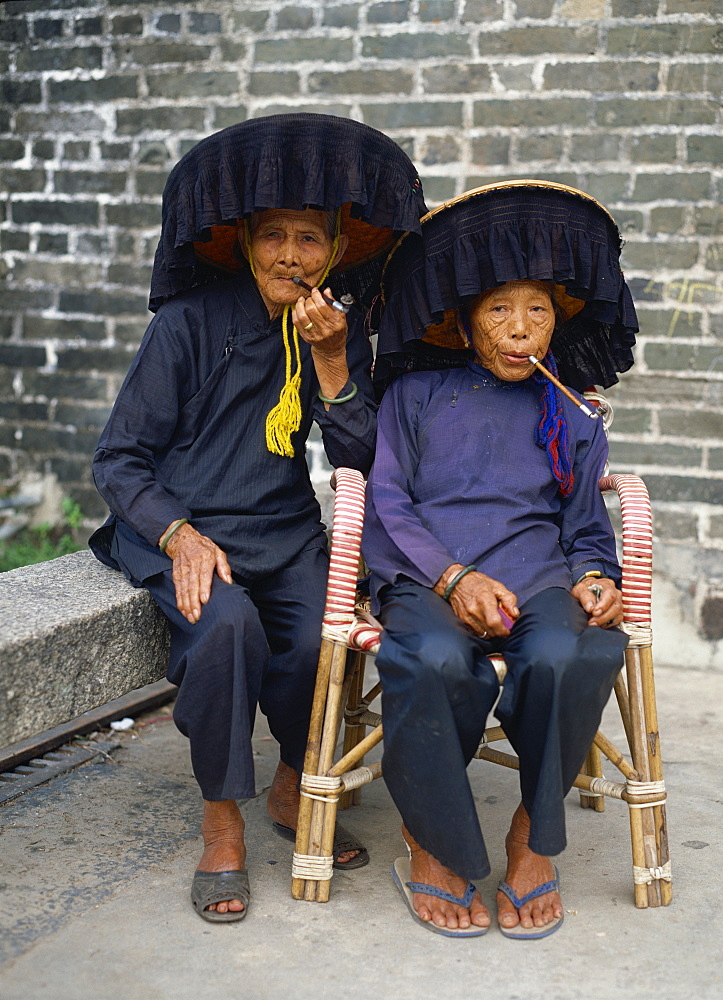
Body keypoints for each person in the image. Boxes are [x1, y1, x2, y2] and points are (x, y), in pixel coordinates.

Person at [89, 114, 426, 922]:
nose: (289, 255)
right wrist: (177, 533)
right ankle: (222, 821)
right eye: (271, 235)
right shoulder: (187, 325)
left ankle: (288, 784)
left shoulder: (330, 327)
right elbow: (119, 458)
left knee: (323, 634)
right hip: (181, 527)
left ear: (336, 249)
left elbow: (358, 454)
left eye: (309, 238)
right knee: (229, 627)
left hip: (281, 528)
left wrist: (337, 359)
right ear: (244, 243)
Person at [363, 182, 638, 938]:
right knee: (432, 661)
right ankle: (434, 847)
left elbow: (585, 526)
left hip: (537, 578)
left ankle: (530, 838)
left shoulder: (572, 412)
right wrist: (452, 578)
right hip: (427, 573)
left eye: (538, 310)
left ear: (559, 319)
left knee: (571, 651)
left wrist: (594, 577)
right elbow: (388, 497)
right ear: (462, 322)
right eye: (498, 310)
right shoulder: (415, 394)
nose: (522, 331)